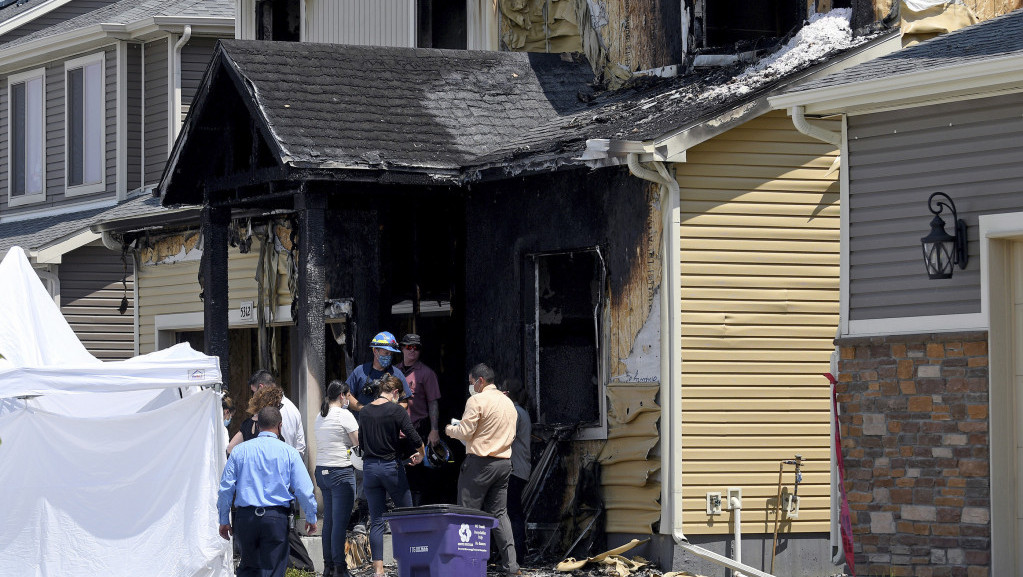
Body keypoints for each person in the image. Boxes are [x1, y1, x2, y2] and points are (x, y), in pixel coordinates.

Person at [217, 406, 318, 577]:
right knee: (273, 570)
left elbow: (226, 488)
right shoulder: (289, 452)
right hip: (275, 518)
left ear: (257, 426)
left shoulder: (239, 451)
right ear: (280, 426)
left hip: (245, 518)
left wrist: (223, 519)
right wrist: (311, 516)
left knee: (248, 568)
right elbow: (303, 489)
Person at [446, 363, 520, 576]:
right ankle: (511, 566)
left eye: (471, 383)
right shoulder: (508, 402)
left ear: (480, 381)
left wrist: (450, 430)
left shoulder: (476, 400)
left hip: (480, 463)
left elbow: (466, 432)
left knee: (467, 515)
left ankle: (468, 566)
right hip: (504, 463)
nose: (470, 387)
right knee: (500, 514)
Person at [359, 374, 425, 577]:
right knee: (407, 516)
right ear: (395, 393)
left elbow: (361, 443)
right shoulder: (396, 410)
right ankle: (410, 564)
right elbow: (414, 437)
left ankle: (378, 570)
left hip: (370, 468)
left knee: (376, 520)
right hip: (391, 468)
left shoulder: (365, 411)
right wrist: (421, 454)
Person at [314, 381, 360, 577]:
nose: (349, 400)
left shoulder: (320, 415)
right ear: (342, 395)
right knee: (339, 523)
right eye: (348, 396)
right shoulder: (344, 415)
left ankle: (328, 566)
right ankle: (340, 568)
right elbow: (358, 443)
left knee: (330, 522)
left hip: (322, 471)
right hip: (340, 471)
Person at [397, 333, 442, 505]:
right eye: (409, 347)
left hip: (417, 430)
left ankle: (416, 511)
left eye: (416, 348)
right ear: (402, 348)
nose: (412, 351)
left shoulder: (427, 374)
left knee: (417, 475)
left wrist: (434, 429)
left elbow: (433, 402)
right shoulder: (393, 371)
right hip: (394, 432)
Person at [500, 378, 531, 563]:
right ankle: (517, 553)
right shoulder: (521, 412)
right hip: (520, 469)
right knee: (514, 511)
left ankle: (517, 554)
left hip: (514, 469)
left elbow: (505, 436)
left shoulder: (515, 413)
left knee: (512, 512)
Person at [345, 332, 412, 415]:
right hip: (363, 425)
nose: (389, 356)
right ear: (375, 351)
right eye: (386, 353)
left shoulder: (397, 374)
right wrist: (363, 409)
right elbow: (347, 395)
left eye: (391, 354)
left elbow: (404, 402)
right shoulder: (360, 371)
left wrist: (391, 411)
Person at [250, 370, 306, 456]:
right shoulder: (293, 409)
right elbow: (300, 446)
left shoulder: (265, 411)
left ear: (261, 387)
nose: (254, 396)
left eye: (254, 392)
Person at [227, 384, 285, 454]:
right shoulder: (273, 424)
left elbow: (230, 448)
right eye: (279, 405)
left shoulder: (247, 424)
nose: (279, 408)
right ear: (272, 405)